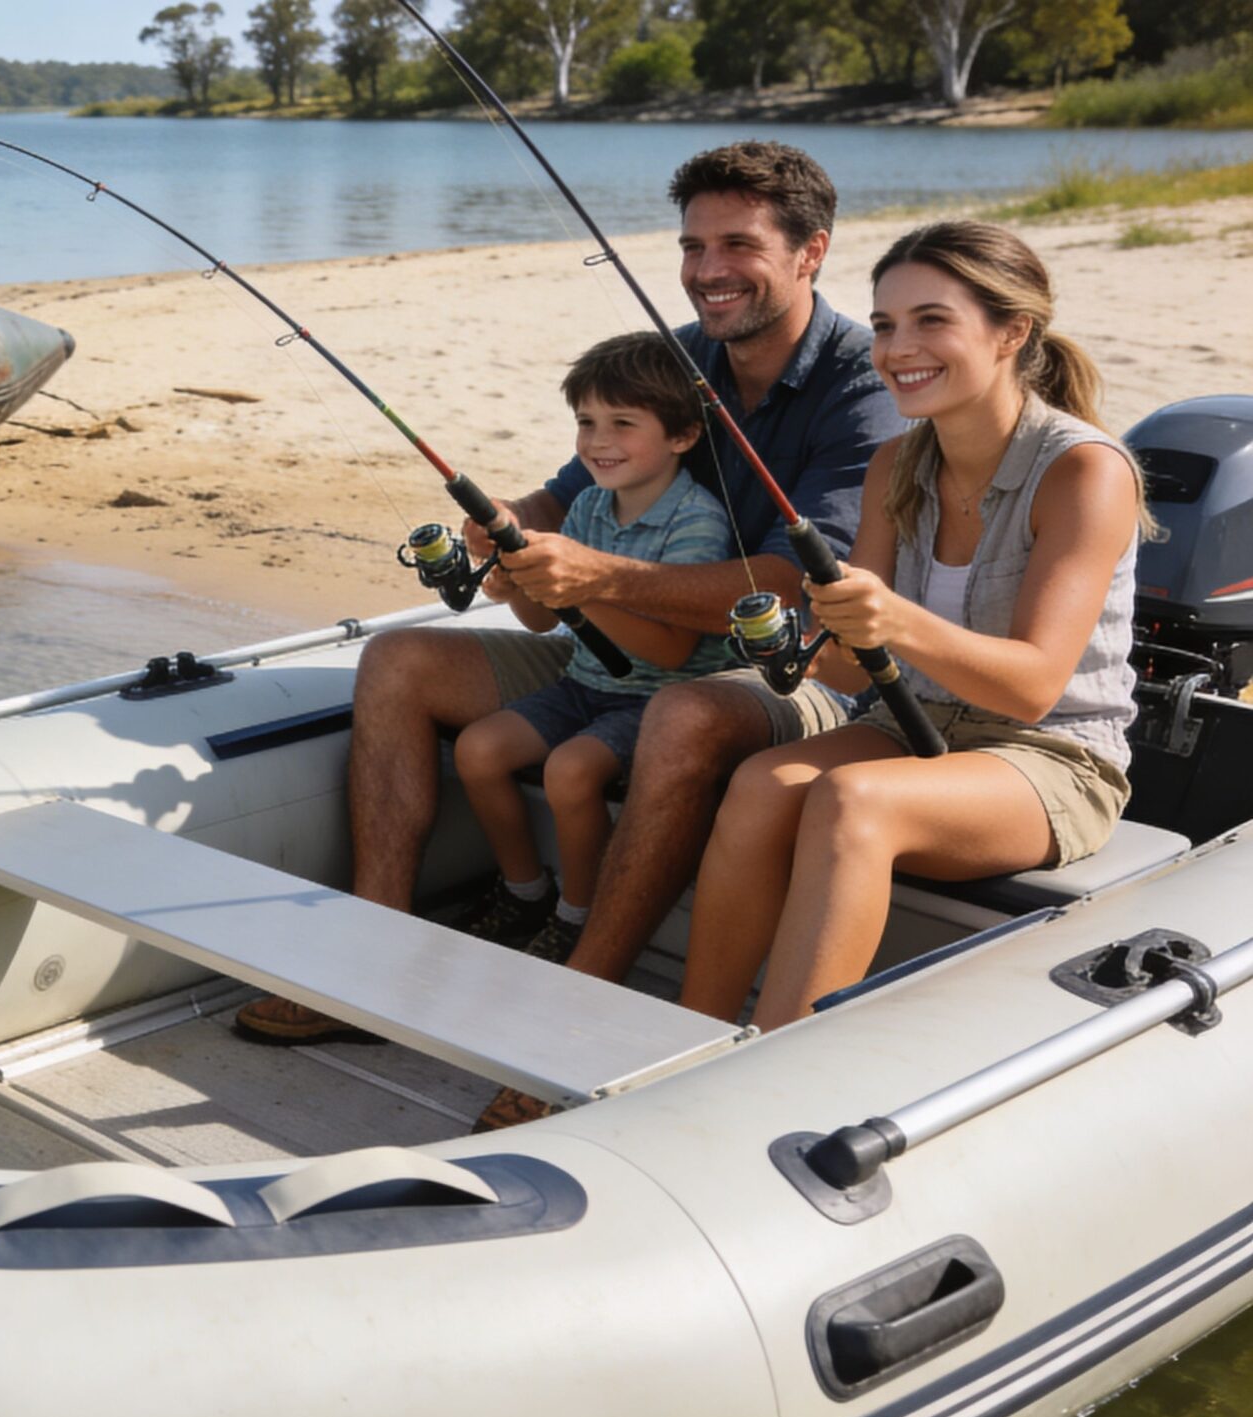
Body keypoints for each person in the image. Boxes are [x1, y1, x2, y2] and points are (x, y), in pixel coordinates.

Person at [237, 140, 905, 1044]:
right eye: (691, 246)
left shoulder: (864, 385)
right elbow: (567, 491)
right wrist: (509, 523)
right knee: (399, 660)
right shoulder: (678, 356)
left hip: (793, 674)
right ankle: (370, 956)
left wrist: (597, 575)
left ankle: (577, 1014)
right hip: (628, 649)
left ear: (809, 252)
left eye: (737, 245)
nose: (707, 272)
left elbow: (797, 588)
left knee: (689, 715)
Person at [678, 220, 1151, 1030]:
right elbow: (857, 671)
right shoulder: (899, 464)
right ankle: (686, 1042)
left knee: (855, 800)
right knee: (762, 784)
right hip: (919, 724)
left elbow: (1036, 687)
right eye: (887, 324)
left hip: (1053, 759)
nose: (899, 348)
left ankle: (779, 1059)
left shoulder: (1083, 470)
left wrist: (894, 617)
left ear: (1012, 332)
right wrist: (819, 639)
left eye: (933, 320)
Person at [447, 334, 736, 964]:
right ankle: (525, 892)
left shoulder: (698, 521)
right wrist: (515, 579)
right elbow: (539, 623)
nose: (598, 441)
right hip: (585, 685)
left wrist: (583, 585)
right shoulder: (585, 506)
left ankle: (577, 916)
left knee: (570, 770)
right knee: (479, 750)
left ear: (683, 435)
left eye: (623, 424)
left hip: (657, 701)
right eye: (586, 422)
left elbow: (668, 649)